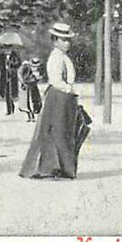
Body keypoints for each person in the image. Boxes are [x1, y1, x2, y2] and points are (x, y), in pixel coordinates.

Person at [19, 22, 90, 179]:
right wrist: (70, 89)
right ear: (55, 40)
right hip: (58, 97)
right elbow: (56, 80)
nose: (67, 43)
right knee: (54, 132)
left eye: (68, 40)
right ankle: (49, 168)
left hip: (64, 98)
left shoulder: (63, 57)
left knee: (64, 132)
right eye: (63, 40)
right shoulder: (55, 58)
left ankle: (61, 168)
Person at [0, 45, 22, 116]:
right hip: (4, 76)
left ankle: (11, 106)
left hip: (12, 76)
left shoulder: (15, 55)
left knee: (11, 92)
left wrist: (11, 64)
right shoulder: (1, 56)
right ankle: (9, 109)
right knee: (6, 93)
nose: (7, 51)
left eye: (9, 49)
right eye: (6, 49)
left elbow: (19, 63)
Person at [17, 56, 44, 122]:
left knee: (35, 100)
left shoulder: (38, 69)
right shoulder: (25, 66)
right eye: (34, 65)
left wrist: (38, 78)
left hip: (33, 85)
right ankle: (30, 116)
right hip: (27, 85)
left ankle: (33, 114)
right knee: (27, 101)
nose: (35, 67)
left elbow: (40, 76)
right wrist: (23, 82)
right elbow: (20, 74)